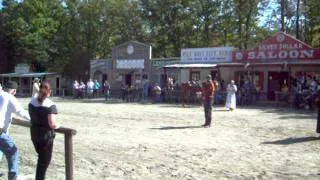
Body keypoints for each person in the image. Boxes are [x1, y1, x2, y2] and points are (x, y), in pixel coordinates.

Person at [28, 81, 59, 180]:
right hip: (45, 136)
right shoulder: (50, 104)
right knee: (44, 162)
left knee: (41, 160)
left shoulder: (32, 102)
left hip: (34, 133)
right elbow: (52, 124)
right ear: (49, 91)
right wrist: (58, 125)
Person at [0, 81, 30, 180]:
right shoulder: (8, 97)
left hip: (2, 131)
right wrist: (34, 119)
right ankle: (13, 176)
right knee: (13, 151)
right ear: (14, 91)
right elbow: (20, 111)